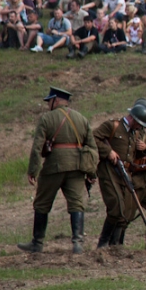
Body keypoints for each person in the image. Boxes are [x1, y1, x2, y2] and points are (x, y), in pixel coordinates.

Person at [18, 87, 98, 254]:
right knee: (76, 204)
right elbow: (91, 147)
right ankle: (77, 243)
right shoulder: (81, 119)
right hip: (77, 167)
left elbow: (37, 148)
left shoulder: (47, 119)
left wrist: (33, 170)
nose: (48, 105)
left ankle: (37, 243)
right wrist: (91, 173)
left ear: (55, 100)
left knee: (42, 203)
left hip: (54, 166)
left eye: (49, 101)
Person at [93, 100, 146, 251]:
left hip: (126, 173)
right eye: (139, 124)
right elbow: (93, 139)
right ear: (132, 118)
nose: (140, 128)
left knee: (124, 212)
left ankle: (115, 246)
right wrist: (108, 152)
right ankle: (104, 243)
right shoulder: (113, 126)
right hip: (110, 170)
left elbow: (134, 157)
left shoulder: (135, 133)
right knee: (118, 208)